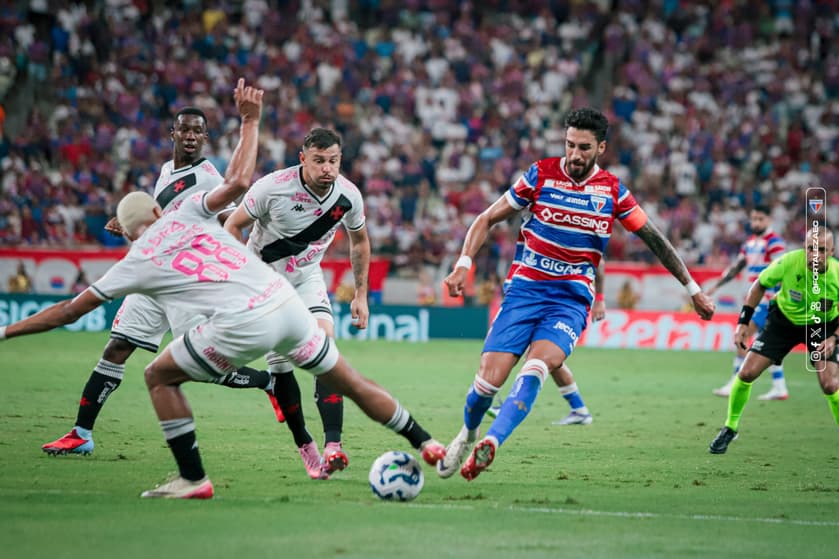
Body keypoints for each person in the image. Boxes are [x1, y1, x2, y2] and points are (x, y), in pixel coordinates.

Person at [0, 80, 446, 499]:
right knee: (348, 378)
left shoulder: (136, 262)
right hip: (282, 300)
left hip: (246, 317)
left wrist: (6, 332)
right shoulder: (191, 209)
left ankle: (192, 478)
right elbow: (237, 183)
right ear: (158, 208)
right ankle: (426, 442)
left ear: (129, 233)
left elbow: (67, 312)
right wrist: (250, 121)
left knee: (158, 374)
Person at [436, 108, 715, 481]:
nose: (575, 154)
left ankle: (493, 441)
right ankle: (468, 433)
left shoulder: (613, 191)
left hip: (569, 301)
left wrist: (693, 289)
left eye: (584, 147)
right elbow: (486, 217)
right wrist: (464, 264)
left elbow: (655, 240)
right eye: (569, 144)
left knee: (538, 366)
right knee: (487, 383)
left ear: (600, 147)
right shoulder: (540, 175)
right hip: (524, 292)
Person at [41, 84, 276, 458]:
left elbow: (229, 217)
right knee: (117, 347)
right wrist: (131, 224)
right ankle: (81, 433)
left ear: (205, 138)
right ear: (173, 134)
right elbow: (164, 222)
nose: (191, 136)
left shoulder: (210, 178)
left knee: (204, 368)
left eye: (198, 131)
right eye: (185, 129)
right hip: (154, 278)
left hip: (186, 282)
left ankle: (268, 382)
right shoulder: (167, 170)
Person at [224, 128, 370, 479]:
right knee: (282, 369)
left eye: (333, 161)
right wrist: (244, 276)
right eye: (319, 161)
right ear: (302, 159)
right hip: (265, 284)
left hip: (306, 278)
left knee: (325, 349)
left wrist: (361, 295)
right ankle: (306, 446)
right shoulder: (272, 187)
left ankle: (334, 445)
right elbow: (232, 226)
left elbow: (360, 241)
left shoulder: (348, 195)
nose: (327, 169)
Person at [709, 227, 838, 454]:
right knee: (746, 373)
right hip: (783, 323)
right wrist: (742, 323)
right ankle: (730, 427)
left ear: (831, 251)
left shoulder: (837, 274)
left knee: (829, 385)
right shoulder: (788, 262)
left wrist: (834, 337)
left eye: (821, 250)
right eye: (810, 249)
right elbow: (759, 285)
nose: (814, 255)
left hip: (822, 326)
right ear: (804, 248)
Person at [486, 258, 607, 426]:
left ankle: (503, 403)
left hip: (562, 304)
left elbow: (599, 263)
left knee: (533, 356)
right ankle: (579, 410)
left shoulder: (578, 237)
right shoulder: (537, 237)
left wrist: (599, 299)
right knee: (547, 360)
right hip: (533, 296)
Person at [708, 205, 788, 400]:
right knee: (769, 344)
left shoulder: (774, 243)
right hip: (755, 300)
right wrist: (716, 286)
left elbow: (782, 272)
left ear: (769, 220)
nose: (756, 223)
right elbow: (736, 267)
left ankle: (735, 382)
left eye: (760, 219)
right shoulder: (750, 243)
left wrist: (779, 298)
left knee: (742, 336)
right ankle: (780, 387)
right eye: (753, 219)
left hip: (767, 301)